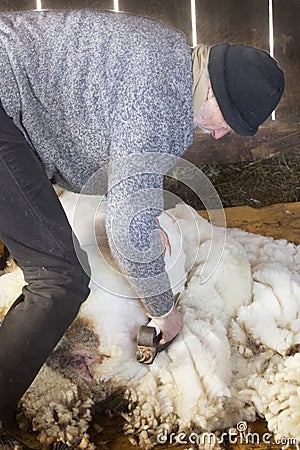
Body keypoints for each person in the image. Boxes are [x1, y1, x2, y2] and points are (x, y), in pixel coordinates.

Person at [0, 8, 284, 446]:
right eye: (231, 121)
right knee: (59, 280)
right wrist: (163, 309)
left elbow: (106, 149)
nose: (223, 135)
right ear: (214, 93)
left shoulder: (166, 55)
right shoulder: (163, 109)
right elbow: (128, 226)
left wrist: (138, 212)